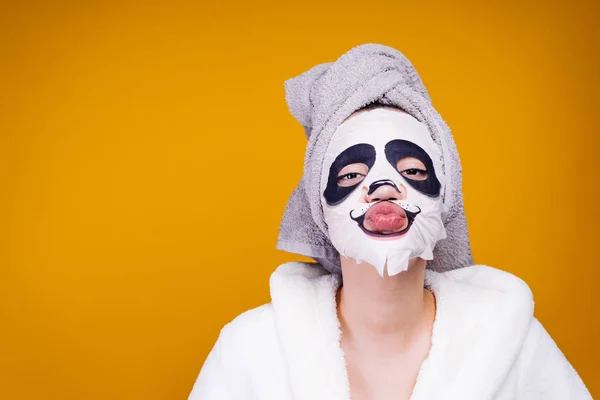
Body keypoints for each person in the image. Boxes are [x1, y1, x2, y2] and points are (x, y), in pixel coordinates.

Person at [187, 44, 592, 400]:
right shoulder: (250, 350)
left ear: (445, 197)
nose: (383, 187)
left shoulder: (512, 342)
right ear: (319, 210)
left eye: (414, 171)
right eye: (350, 175)